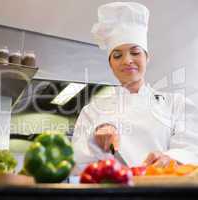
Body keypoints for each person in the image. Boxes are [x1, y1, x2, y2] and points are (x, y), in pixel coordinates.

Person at [72, 2, 198, 173]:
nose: (127, 60)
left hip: (165, 190)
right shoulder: (92, 111)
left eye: (135, 52)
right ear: (111, 64)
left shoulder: (176, 104)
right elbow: (77, 165)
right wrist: (94, 140)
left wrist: (172, 157)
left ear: (147, 58)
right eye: (117, 55)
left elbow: (192, 148)